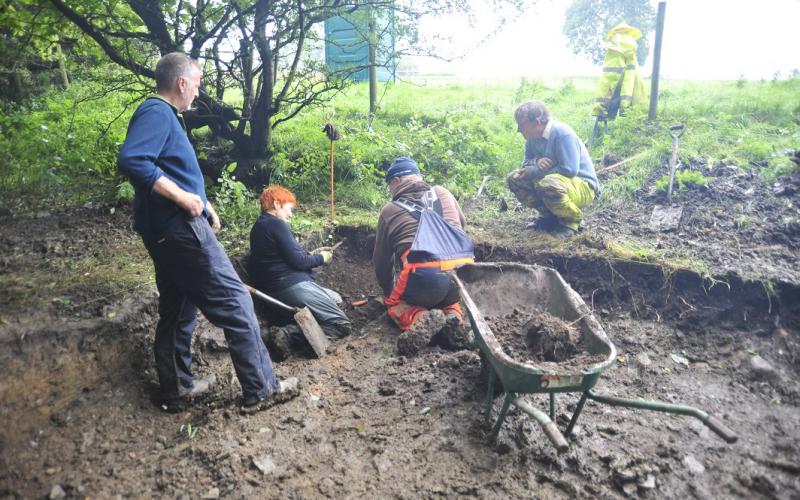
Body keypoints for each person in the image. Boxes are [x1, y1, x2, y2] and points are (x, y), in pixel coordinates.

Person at [117, 52, 297, 410]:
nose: (198, 94)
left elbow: (166, 167)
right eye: (197, 85)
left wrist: (201, 199)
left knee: (178, 307)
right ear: (181, 83)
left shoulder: (164, 116)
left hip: (165, 231)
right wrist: (185, 198)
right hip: (180, 230)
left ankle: (178, 387)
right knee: (235, 299)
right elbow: (133, 160)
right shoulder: (156, 112)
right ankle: (261, 388)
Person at [373, 157, 474, 353]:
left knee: (395, 304)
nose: (390, 191)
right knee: (450, 300)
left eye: (389, 186)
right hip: (463, 272)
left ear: (396, 181)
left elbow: (382, 263)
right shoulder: (442, 192)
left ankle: (422, 319)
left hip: (424, 274)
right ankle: (454, 318)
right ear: (418, 177)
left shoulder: (390, 210)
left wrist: (389, 290)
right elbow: (461, 223)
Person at [248, 185, 351, 357]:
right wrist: (322, 258)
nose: (291, 214)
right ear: (276, 204)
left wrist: (310, 256)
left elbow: (287, 257)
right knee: (341, 324)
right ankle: (288, 334)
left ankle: (293, 323)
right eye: (289, 209)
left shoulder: (259, 226)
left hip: (276, 288)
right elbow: (299, 261)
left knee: (336, 299)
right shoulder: (276, 224)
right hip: (290, 285)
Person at [507, 100, 600, 237]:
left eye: (522, 124)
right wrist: (537, 161)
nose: (519, 129)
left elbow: (569, 169)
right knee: (515, 178)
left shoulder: (562, 133)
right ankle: (549, 216)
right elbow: (526, 164)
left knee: (548, 183)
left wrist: (537, 170)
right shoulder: (531, 140)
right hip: (558, 183)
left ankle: (571, 222)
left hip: (583, 187)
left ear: (537, 121)